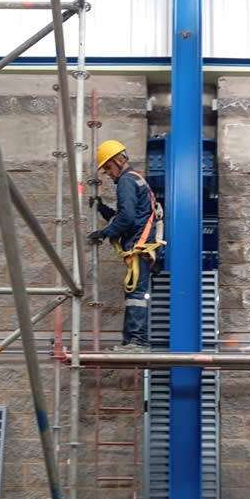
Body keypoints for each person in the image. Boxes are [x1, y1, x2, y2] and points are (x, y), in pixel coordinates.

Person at [88, 139, 161, 352]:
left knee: (136, 296)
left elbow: (128, 218)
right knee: (136, 294)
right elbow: (130, 215)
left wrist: (105, 233)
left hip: (140, 247)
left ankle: (136, 343)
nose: (108, 173)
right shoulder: (136, 181)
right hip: (143, 247)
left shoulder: (126, 181)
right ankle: (135, 341)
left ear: (119, 160)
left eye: (108, 167)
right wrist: (104, 211)